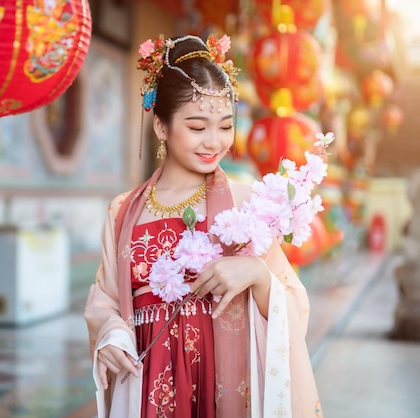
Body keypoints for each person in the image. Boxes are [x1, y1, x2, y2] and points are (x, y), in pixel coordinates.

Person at [83, 33, 323, 418]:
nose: (214, 142)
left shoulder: (246, 204)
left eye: (225, 126)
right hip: (148, 379)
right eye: (197, 127)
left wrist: (259, 276)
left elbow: (295, 304)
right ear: (161, 126)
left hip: (222, 380)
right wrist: (110, 335)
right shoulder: (123, 211)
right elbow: (105, 298)